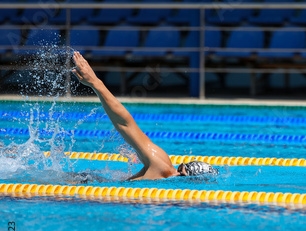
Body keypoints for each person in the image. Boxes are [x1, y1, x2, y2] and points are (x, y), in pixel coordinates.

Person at [71, 51, 218, 181]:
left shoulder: (164, 163)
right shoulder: (162, 166)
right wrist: (96, 83)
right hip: (86, 184)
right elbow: (126, 123)